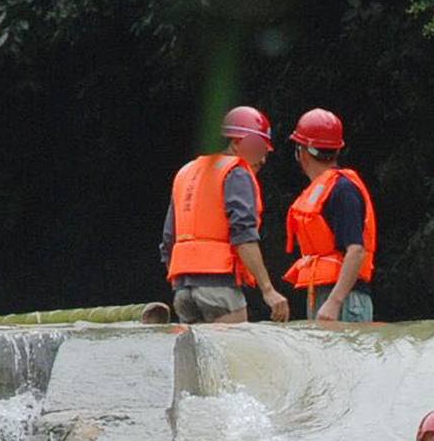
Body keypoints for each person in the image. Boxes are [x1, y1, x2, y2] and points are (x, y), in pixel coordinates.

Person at [161, 107, 291, 327]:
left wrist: (185, 280)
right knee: (231, 359)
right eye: (260, 150)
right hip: (219, 288)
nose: (262, 160)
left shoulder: (187, 172)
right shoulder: (236, 172)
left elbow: (167, 241)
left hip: (183, 291)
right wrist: (268, 290)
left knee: (194, 361)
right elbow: (243, 235)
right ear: (239, 143)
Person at [281, 108, 376, 324]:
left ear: (302, 152)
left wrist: (334, 302)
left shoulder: (343, 190)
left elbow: (356, 250)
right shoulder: (324, 190)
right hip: (325, 295)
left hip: (344, 300)